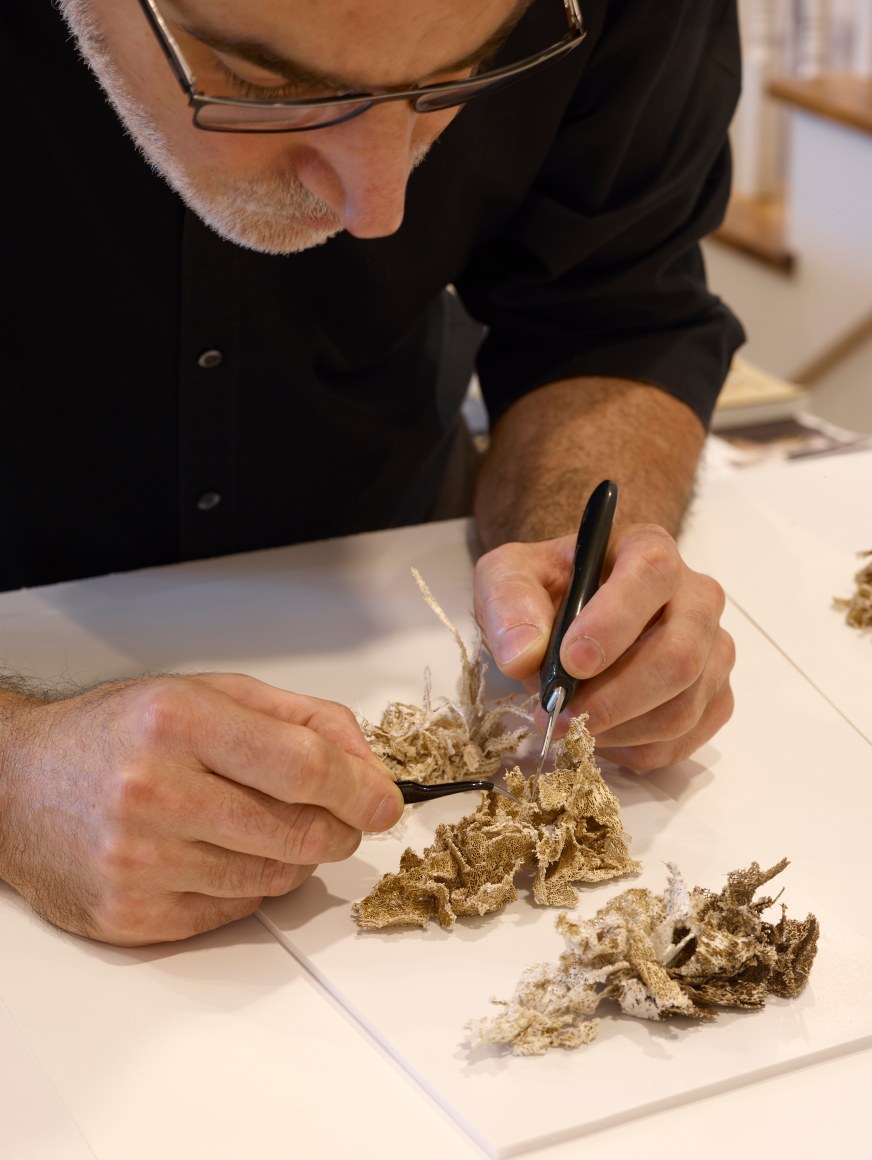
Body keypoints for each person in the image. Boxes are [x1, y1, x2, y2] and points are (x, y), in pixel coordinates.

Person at [0, 0, 743, 946]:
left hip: (389, 573)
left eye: (464, 77)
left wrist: (578, 562)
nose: (376, 204)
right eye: (264, 87)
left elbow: (608, 309)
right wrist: (14, 776)